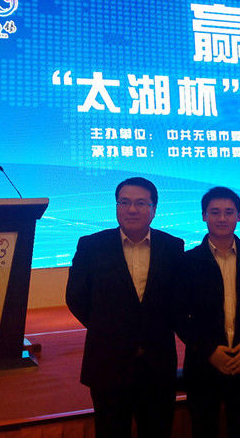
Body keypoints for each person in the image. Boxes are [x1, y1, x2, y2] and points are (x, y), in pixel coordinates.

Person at [65, 177, 185, 438]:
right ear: (116, 206)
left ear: (154, 209)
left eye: (141, 203)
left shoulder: (173, 247)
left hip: (157, 363)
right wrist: (108, 328)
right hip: (108, 361)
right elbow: (76, 297)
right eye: (124, 202)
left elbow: (178, 300)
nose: (132, 209)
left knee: (157, 430)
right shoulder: (91, 246)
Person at [182, 186, 240, 438]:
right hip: (203, 366)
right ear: (203, 215)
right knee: (203, 430)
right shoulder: (186, 262)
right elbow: (177, 314)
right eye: (215, 212)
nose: (222, 218)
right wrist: (208, 350)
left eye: (229, 212)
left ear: (239, 216)